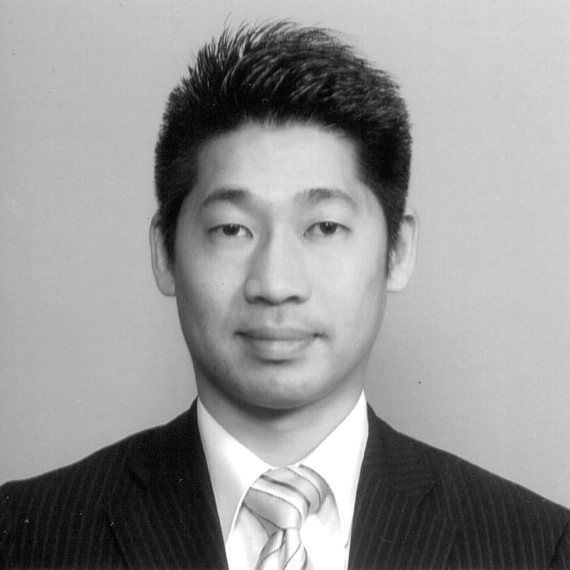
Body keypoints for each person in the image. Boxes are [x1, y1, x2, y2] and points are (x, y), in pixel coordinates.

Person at [1, 21, 568, 570]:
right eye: (232, 229)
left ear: (397, 249)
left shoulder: (537, 548)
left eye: (324, 227)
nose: (275, 285)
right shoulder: (26, 536)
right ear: (165, 253)